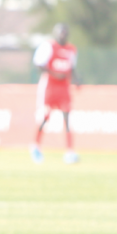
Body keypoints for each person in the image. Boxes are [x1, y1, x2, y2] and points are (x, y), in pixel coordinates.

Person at [31, 23, 80, 164]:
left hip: (64, 89)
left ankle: (70, 152)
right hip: (50, 88)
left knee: (68, 119)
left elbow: (72, 68)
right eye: (60, 32)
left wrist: (76, 80)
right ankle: (36, 147)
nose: (62, 35)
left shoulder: (71, 50)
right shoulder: (48, 47)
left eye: (64, 32)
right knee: (45, 117)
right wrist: (54, 74)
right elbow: (38, 64)